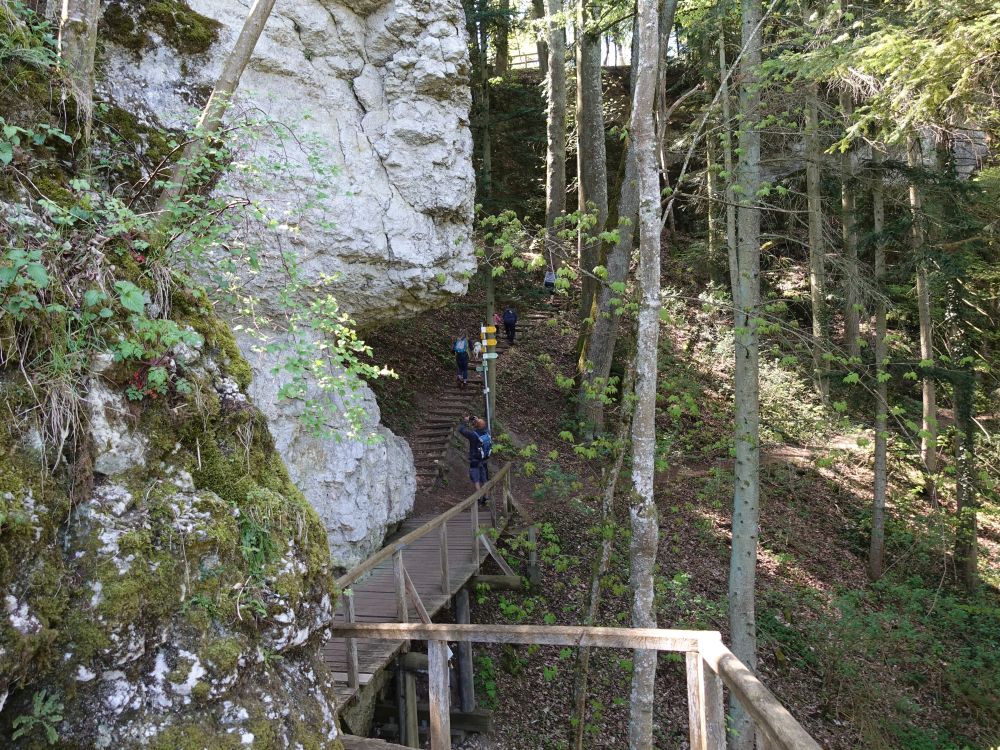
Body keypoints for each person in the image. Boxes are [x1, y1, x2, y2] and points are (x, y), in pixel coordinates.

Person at [458, 415, 492, 499]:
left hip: (474, 460)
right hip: (484, 459)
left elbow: (461, 429)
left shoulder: (473, 435)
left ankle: (479, 496)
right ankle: (486, 497)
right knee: (485, 479)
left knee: (476, 479)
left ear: (475, 425)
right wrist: (478, 421)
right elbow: (483, 426)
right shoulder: (487, 432)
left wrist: (465, 421)